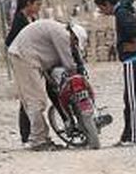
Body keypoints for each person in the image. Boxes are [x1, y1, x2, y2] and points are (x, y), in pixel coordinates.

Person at [7, 18, 81, 151]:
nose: (72, 47)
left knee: (33, 99)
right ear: (74, 37)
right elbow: (69, 64)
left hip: (26, 55)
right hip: (24, 56)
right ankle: (38, 140)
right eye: (74, 44)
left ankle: (41, 137)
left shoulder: (58, 29)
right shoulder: (63, 34)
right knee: (36, 100)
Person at [95, 0, 136, 146]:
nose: (102, 12)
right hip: (134, 61)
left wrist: (132, 46)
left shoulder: (122, 14)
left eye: (102, 8)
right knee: (129, 99)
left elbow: (134, 29)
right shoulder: (121, 12)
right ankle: (128, 135)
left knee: (133, 100)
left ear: (107, 4)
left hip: (133, 60)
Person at [5, 0, 43, 143]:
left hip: (27, 60)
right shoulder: (21, 20)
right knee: (28, 97)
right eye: (38, 4)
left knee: (28, 97)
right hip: (21, 60)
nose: (39, 7)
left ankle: (27, 133)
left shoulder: (28, 19)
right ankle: (27, 134)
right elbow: (12, 41)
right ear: (29, 3)